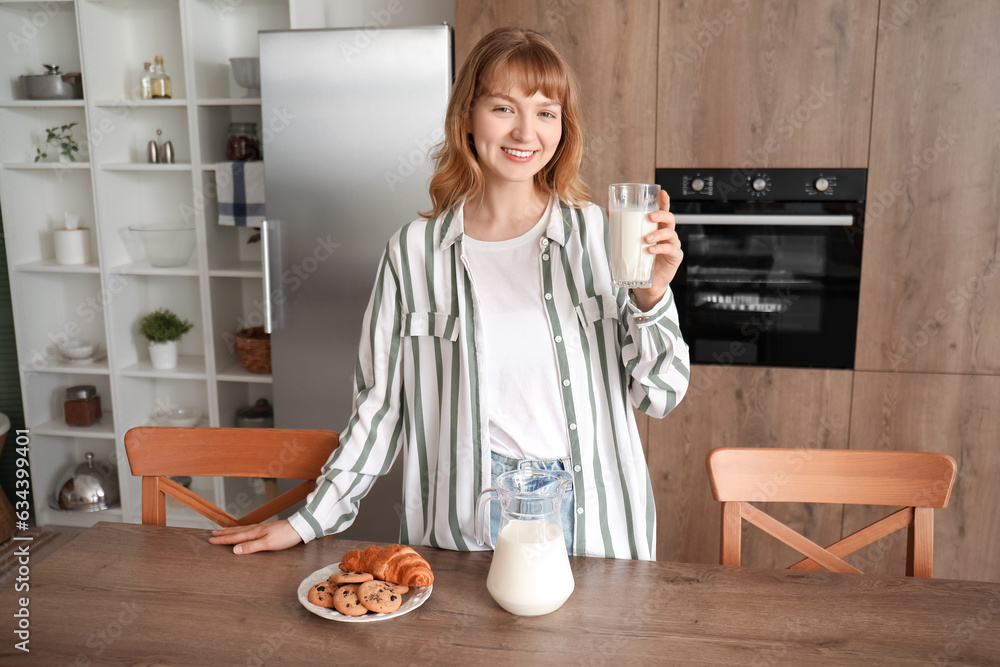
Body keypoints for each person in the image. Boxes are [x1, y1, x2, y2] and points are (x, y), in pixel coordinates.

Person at [211, 27, 689, 561]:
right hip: (468, 516)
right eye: (504, 108)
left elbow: (661, 395)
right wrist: (309, 520)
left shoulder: (601, 236)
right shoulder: (414, 253)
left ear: (563, 128)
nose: (525, 131)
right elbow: (380, 407)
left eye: (546, 112)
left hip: (593, 517)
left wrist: (652, 298)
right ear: (467, 116)